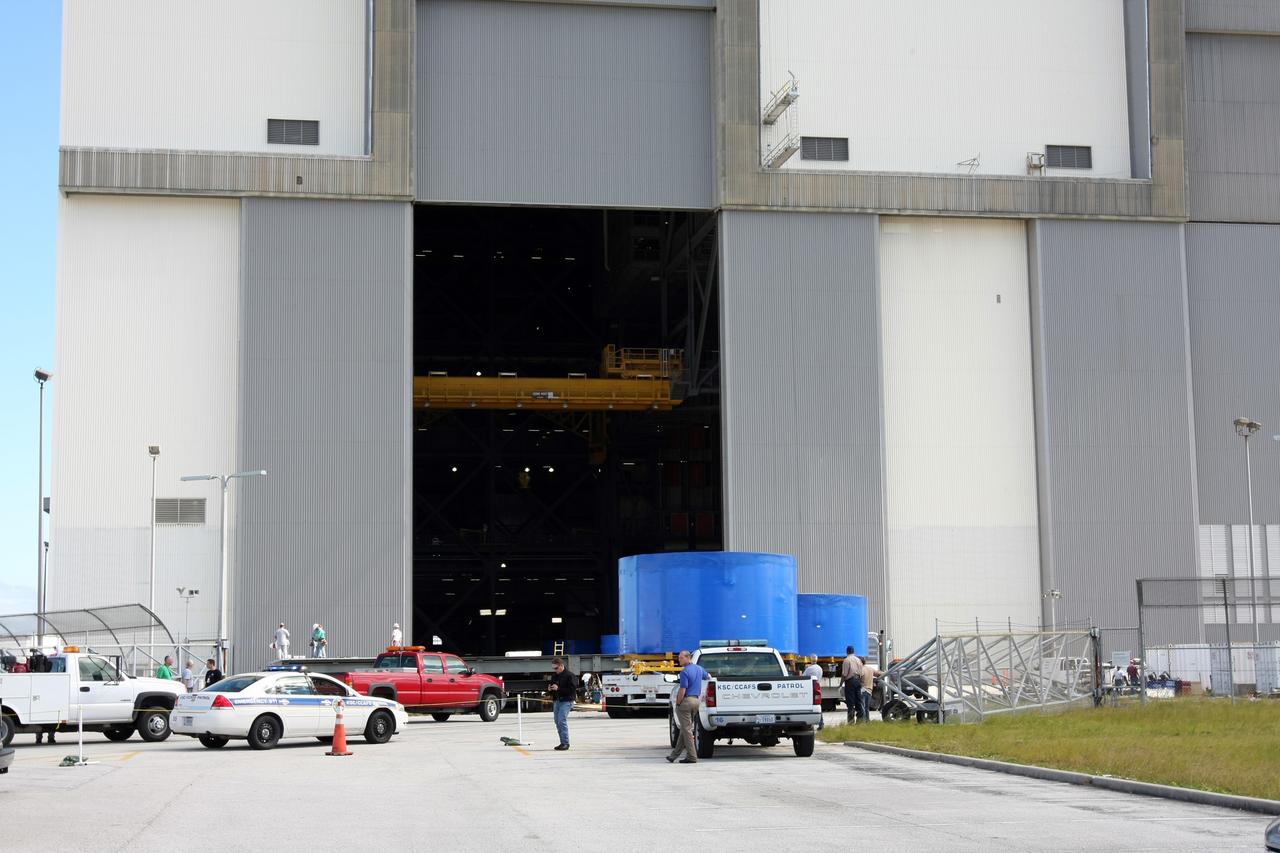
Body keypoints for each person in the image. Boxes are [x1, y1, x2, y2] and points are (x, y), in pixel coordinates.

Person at [667, 650, 709, 763]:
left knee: (687, 730)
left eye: (681, 658)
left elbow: (682, 690)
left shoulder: (684, 672)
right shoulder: (699, 669)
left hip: (686, 701)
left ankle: (692, 756)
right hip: (696, 701)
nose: (679, 660)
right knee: (685, 730)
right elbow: (708, 676)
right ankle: (673, 756)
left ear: (688, 658)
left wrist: (678, 703)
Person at [547, 657, 576, 750]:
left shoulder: (570, 675)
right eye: (553, 668)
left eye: (556, 668)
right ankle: (562, 742)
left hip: (566, 701)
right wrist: (549, 690)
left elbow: (572, 690)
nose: (555, 670)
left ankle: (565, 743)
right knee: (557, 721)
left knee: (561, 720)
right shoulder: (554, 676)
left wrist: (558, 688)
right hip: (557, 701)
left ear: (561, 666)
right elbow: (553, 689)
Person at [840, 645, 864, 723]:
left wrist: (841, 684)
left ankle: (851, 721)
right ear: (853, 651)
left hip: (850, 682)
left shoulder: (846, 660)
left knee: (850, 702)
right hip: (858, 681)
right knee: (858, 701)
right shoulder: (858, 660)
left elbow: (844, 674)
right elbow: (862, 673)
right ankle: (860, 720)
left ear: (847, 651)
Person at [802, 658, 825, 730]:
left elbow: (803, 677)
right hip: (818, 688)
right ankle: (821, 723)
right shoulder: (820, 668)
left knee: (809, 706)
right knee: (818, 706)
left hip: (810, 689)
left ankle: (808, 724)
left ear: (811, 661)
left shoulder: (809, 669)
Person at [859, 657, 881, 723]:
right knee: (866, 707)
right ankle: (867, 721)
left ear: (860, 662)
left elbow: (859, 679)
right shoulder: (870, 669)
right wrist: (886, 672)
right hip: (869, 691)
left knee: (862, 707)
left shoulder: (861, 670)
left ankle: (862, 721)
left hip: (862, 690)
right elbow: (878, 673)